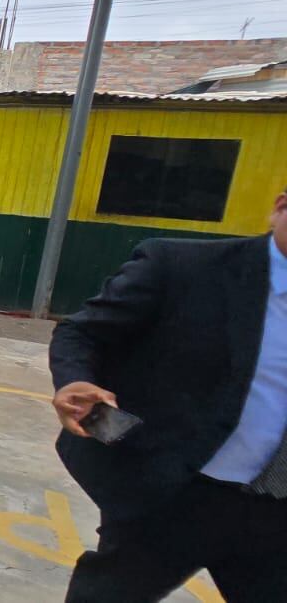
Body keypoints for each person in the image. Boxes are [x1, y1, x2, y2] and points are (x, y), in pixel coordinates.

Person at [49, 188, 287, 601]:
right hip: (173, 494)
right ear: (280, 207)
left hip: (276, 511)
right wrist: (74, 380)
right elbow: (81, 331)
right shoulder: (183, 267)